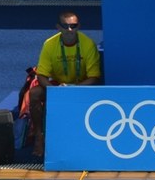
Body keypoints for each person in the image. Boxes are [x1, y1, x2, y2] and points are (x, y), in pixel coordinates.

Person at [28, 10, 102, 160]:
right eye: (66, 26)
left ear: (78, 26)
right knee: (34, 94)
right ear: (58, 27)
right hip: (57, 86)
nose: (70, 30)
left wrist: (73, 89)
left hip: (81, 86)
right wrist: (55, 90)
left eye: (73, 26)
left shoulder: (88, 45)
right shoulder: (49, 44)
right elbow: (41, 75)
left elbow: (94, 78)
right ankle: (39, 135)